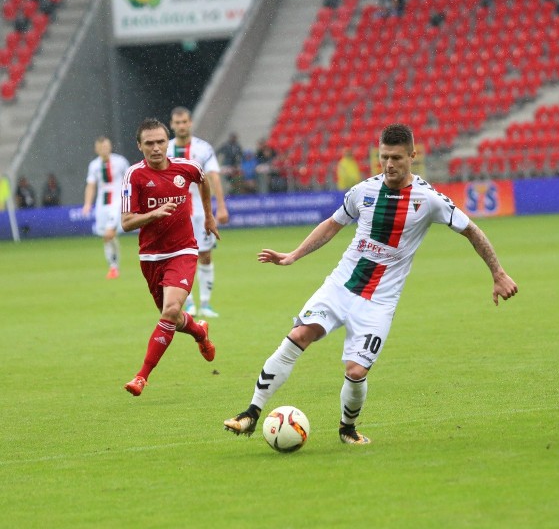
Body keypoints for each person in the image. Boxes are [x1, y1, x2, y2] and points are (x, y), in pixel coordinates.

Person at [223, 124, 519, 444]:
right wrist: (294, 255)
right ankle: (251, 412)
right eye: (383, 158)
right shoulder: (363, 191)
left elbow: (472, 230)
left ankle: (347, 429)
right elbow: (331, 225)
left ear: (412, 156)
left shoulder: (429, 199)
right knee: (299, 335)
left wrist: (498, 273)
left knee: (355, 371)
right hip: (340, 286)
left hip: (379, 301)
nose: (389, 165)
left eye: (396, 158)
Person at [120, 118, 220, 397]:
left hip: (184, 250)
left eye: (160, 142)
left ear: (168, 142)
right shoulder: (134, 176)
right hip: (151, 257)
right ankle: (199, 332)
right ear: (139, 146)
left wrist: (209, 217)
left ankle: (141, 376)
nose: (156, 148)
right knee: (173, 319)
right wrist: (154, 214)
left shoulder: (186, 168)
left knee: (171, 311)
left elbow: (204, 181)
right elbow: (127, 223)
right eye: (149, 143)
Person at [167, 106, 229, 318]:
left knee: (204, 255)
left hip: (201, 212)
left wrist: (220, 206)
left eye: (185, 121)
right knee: (180, 257)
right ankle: (189, 303)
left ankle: (206, 303)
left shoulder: (203, 149)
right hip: (175, 213)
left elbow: (214, 177)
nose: (182, 126)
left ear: (190, 123)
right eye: (178, 122)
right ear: (172, 125)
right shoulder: (165, 150)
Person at [82, 137, 131, 279]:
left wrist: (130, 199)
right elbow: (91, 185)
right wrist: (87, 203)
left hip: (118, 202)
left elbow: (130, 179)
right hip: (102, 204)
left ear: (110, 147)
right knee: (106, 236)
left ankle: (114, 267)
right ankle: (113, 267)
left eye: (107, 146)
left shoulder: (120, 161)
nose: (104, 149)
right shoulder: (94, 165)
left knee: (109, 233)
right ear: (96, 149)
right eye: (101, 147)